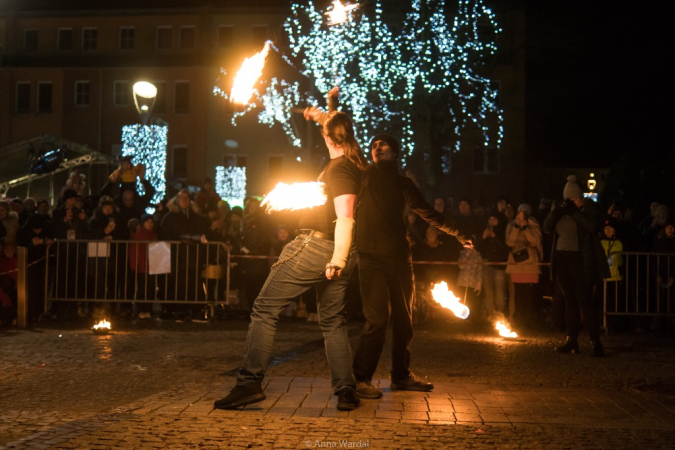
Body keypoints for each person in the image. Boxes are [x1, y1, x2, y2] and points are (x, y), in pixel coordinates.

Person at [214, 103, 367, 411]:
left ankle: (249, 383)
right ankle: (346, 389)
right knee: (333, 321)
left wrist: (337, 258)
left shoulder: (340, 170)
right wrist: (324, 112)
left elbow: (346, 217)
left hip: (319, 248)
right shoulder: (351, 162)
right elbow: (334, 127)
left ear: (327, 137)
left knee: (264, 308)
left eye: (324, 130)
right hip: (339, 250)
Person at [351, 133, 470, 400]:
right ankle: (360, 379)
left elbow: (427, 211)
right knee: (377, 320)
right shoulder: (364, 176)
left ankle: (401, 376)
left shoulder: (403, 184)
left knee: (405, 319)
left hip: (399, 258)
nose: (376, 148)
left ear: (395, 152)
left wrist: (458, 232)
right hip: (370, 256)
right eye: (373, 145)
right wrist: (331, 105)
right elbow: (345, 140)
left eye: (383, 145)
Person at [544, 175, 610, 357]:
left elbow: (592, 226)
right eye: (569, 199)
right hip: (562, 258)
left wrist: (574, 213)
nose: (571, 202)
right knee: (570, 301)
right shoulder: (561, 209)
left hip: (580, 259)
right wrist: (556, 212)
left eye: (574, 199)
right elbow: (547, 227)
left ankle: (596, 342)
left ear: (580, 198)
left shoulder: (590, 209)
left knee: (585, 302)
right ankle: (571, 340)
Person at [505, 204, 543, 330]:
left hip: (530, 264)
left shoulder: (533, 223)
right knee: (517, 295)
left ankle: (527, 322)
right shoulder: (512, 224)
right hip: (516, 264)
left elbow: (534, 241)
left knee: (528, 295)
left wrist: (525, 227)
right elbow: (510, 242)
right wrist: (516, 226)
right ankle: (517, 320)